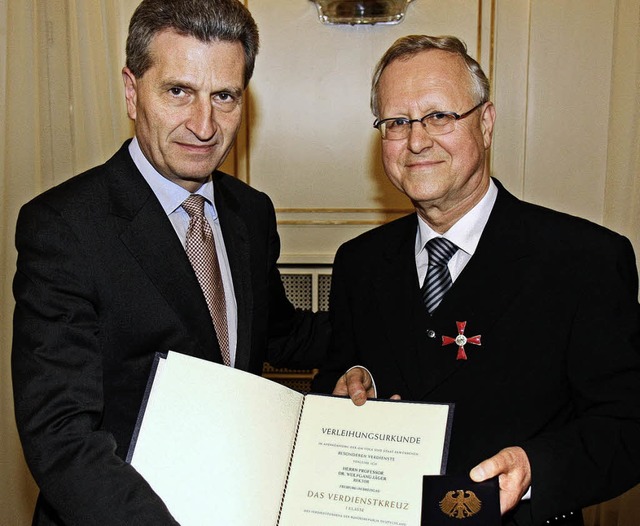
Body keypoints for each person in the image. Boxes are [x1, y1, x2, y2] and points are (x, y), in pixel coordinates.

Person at [12, 1, 328, 524]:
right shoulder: (65, 227)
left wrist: (385, 339)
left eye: (223, 96)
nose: (203, 125)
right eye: (179, 91)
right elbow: (61, 434)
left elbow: (280, 334)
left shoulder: (250, 212)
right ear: (133, 92)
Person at [312, 35, 640, 526]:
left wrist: (535, 468)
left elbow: (626, 426)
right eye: (397, 122)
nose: (417, 140)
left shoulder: (585, 260)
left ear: (485, 123)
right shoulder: (359, 262)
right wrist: (348, 389)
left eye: (439, 116)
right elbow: (334, 383)